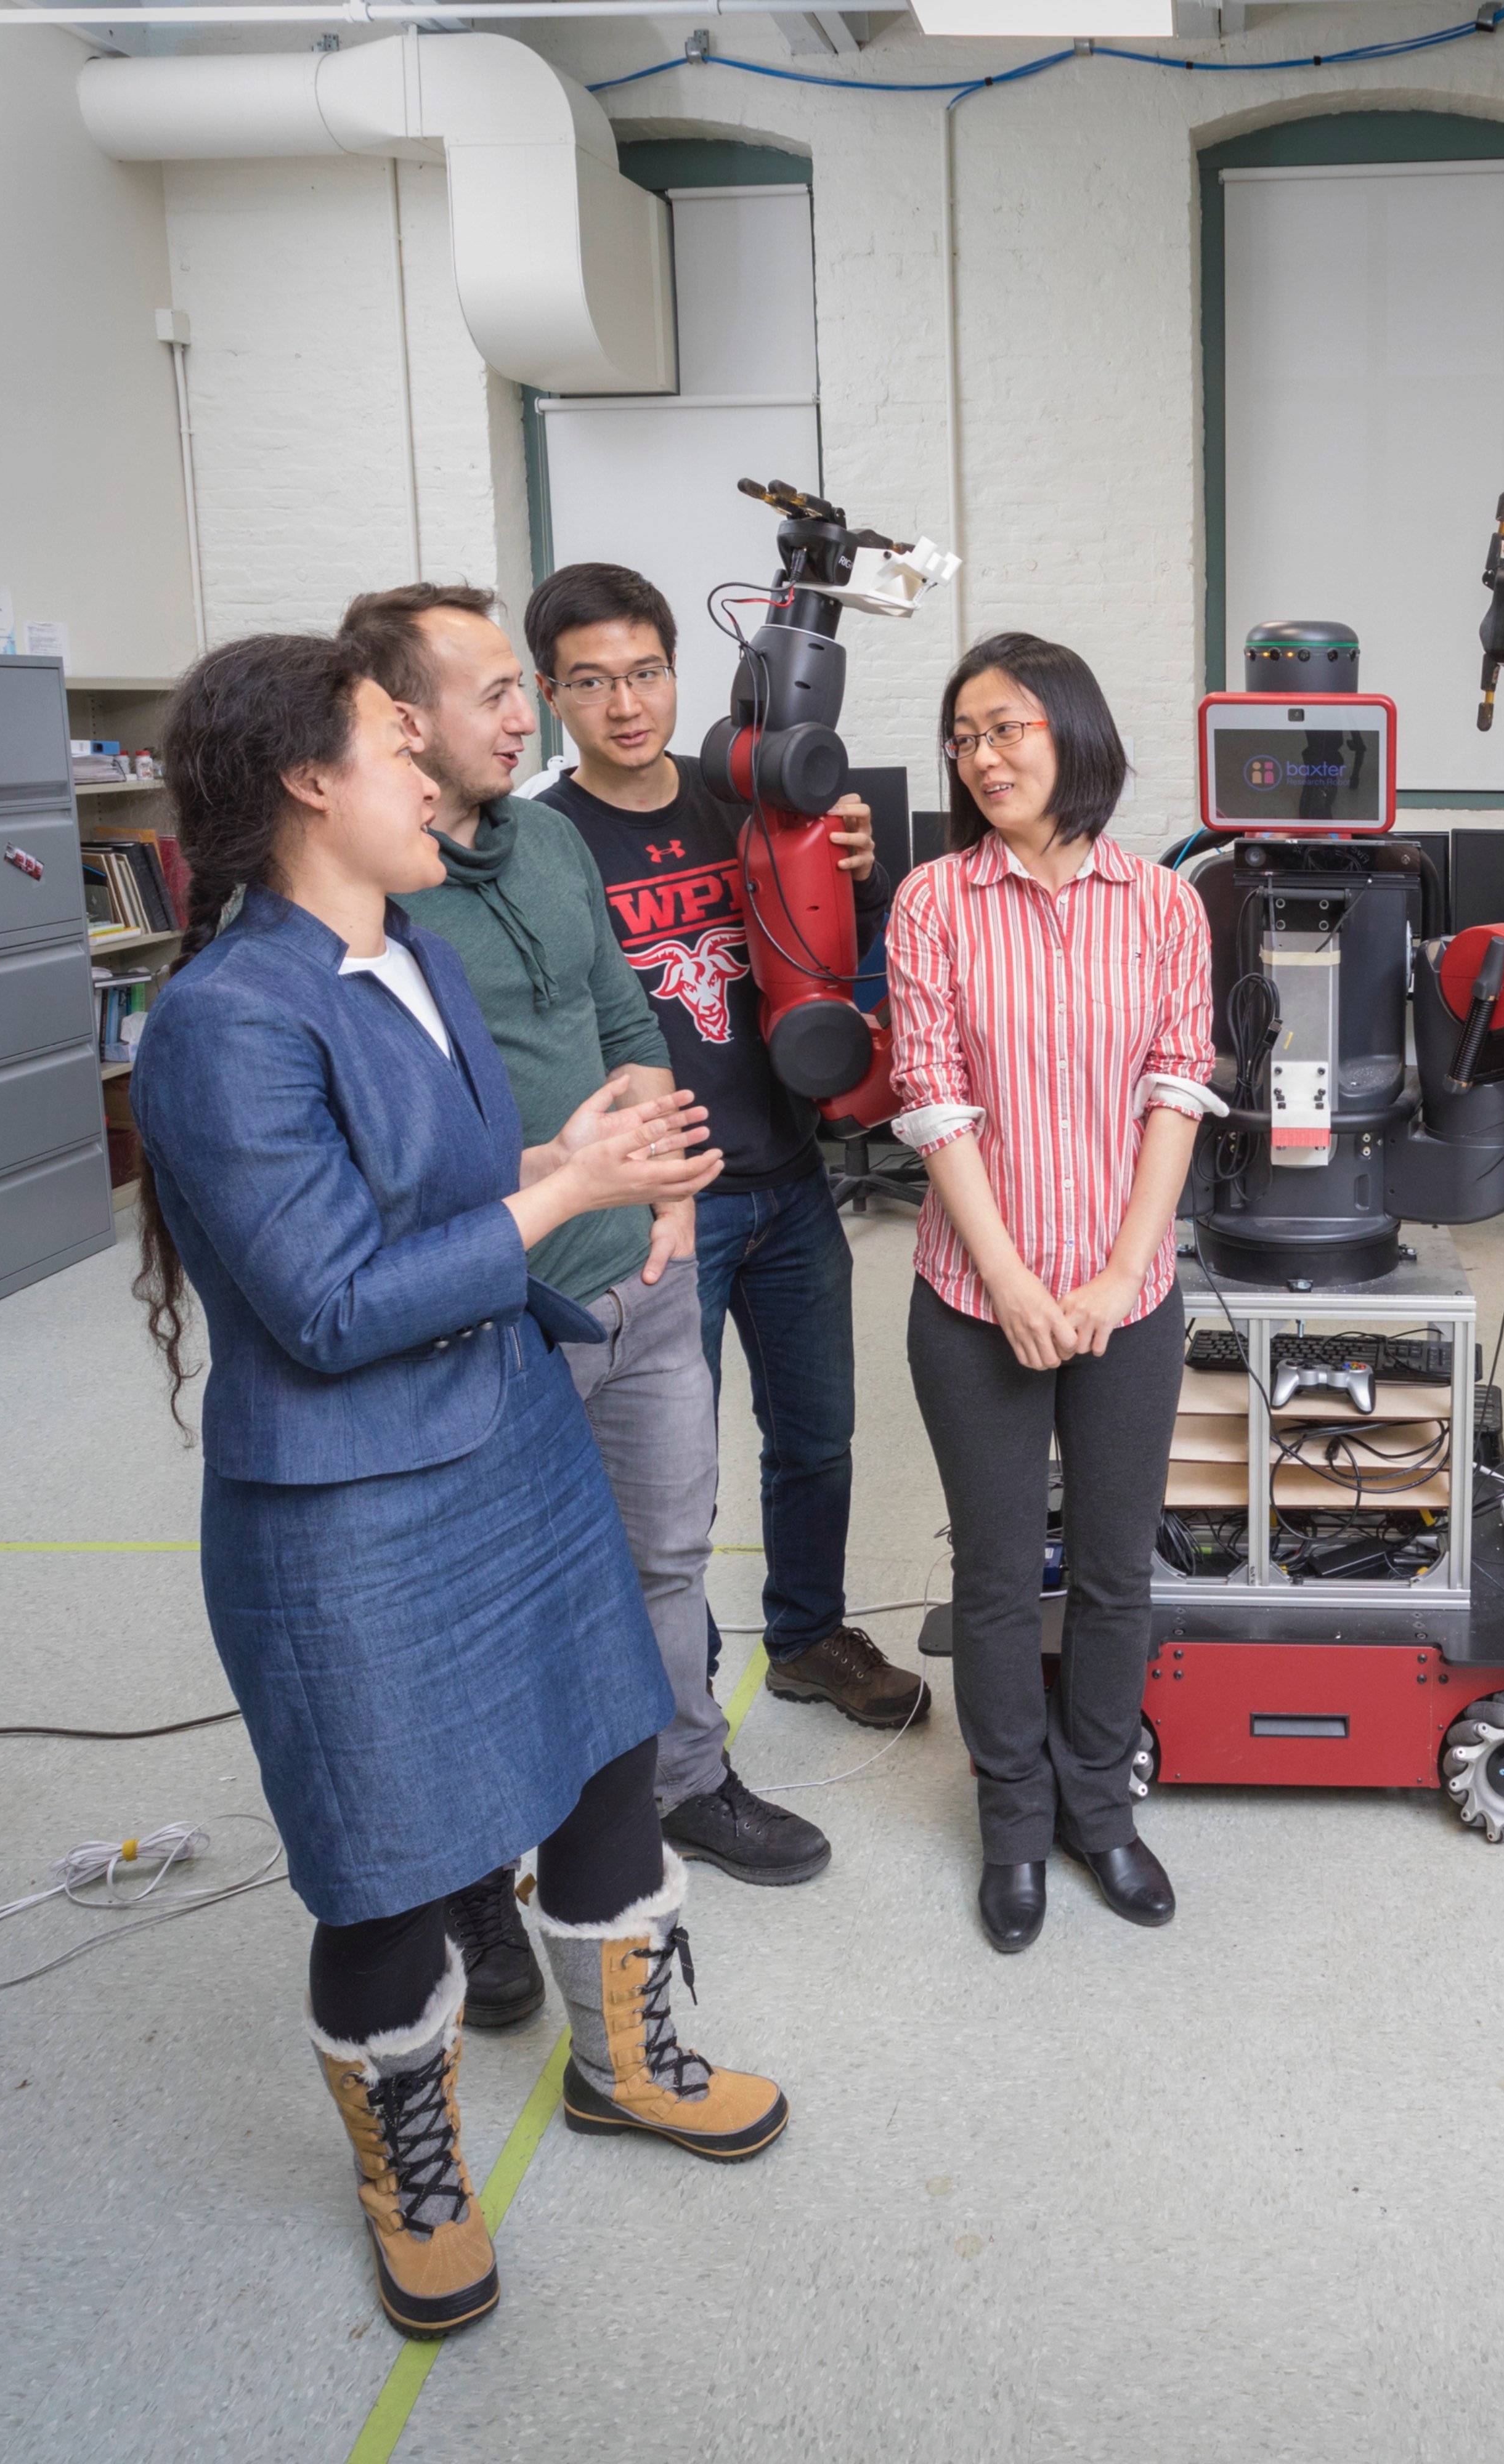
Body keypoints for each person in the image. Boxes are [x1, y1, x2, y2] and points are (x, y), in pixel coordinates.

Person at [127, 634, 787, 2340]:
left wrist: (580, 1160)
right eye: (395, 747)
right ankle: (411, 2172)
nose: (437, 776)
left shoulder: (409, 948)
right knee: (385, 1861)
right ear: (307, 784)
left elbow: (450, 1189)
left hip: (507, 1430)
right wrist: (568, 1180)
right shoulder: (221, 1022)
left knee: (601, 1755)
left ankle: (624, 2066)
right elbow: (335, 1301)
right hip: (347, 1505)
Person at [341, 581, 835, 1902]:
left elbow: (626, 1014)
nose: (529, 715)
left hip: (644, 1273)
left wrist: (669, 1183)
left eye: (522, 686)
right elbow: (383, 1158)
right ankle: (478, 1867)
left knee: (668, 1556)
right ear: (397, 720)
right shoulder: (367, 895)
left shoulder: (542, 850)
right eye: (503, 691)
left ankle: (689, 1777)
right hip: (502, 1305)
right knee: (495, 1592)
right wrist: (568, 1183)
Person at [523, 562, 928, 1735]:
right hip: (660, 1205)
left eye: (645, 672)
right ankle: (677, 1681)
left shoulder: (751, 802)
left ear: (676, 672)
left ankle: (806, 1638)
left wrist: (863, 865)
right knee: (667, 1474)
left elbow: (849, 954)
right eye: (591, 682)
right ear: (553, 694)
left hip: (792, 1182)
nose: (626, 704)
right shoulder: (545, 845)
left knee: (816, 1438)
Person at [882, 633, 1218, 1953]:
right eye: (964, 735)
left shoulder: (1163, 902)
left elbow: (1175, 1088)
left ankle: (1103, 1809)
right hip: (977, 1296)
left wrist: (1127, 1270)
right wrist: (1016, 1281)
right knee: (998, 1574)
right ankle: (1014, 1823)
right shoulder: (933, 901)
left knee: (1121, 1572)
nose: (984, 755)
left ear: (1071, 731)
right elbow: (931, 1097)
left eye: (1007, 726)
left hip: (1125, 1300)